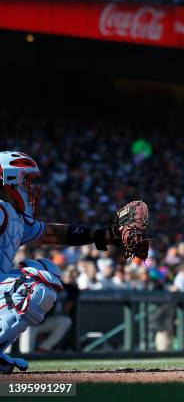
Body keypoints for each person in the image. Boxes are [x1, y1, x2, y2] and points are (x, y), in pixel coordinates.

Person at [0, 151, 148, 372]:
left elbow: (51, 233)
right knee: (37, 285)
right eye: (27, 179)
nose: (31, 186)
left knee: (46, 273)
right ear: (9, 178)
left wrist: (102, 235)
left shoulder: (12, 215)